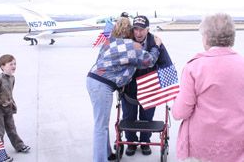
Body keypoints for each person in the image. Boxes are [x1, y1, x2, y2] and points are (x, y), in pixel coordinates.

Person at [86, 17, 162, 162]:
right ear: (130, 31)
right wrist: (156, 46)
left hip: (92, 79)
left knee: (102, 123)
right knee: (100, 126)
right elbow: (150, 60)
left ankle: (108, 154)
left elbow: (100, 61)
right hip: (103, 85)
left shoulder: (108, 43)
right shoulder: (131, 46)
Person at [172, 13, 244, 162]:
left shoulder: (194, 67)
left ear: (206, 37)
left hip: (202, 148)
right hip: (237, 144)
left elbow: (181, 112)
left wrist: (175, 103)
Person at [121, 15, 173, 156]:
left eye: (142, 30)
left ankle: (145, 141)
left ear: (148, 29)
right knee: (128, 117)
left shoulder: (155, 42)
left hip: (149, 87)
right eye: (136, 29)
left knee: (147, 118)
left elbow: (165, 63)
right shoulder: (127, 42)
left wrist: (167, 86)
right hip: (129, 87)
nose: (138, 33)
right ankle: (131, 142)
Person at [0, 54, 31, 158]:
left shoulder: (12, 78)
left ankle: (19, 145)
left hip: (8, 108)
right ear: (2, 66)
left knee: (11, 128)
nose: (14, 66)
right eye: (11, 64)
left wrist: (12, 104)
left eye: (15, 64)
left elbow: (9, 93)